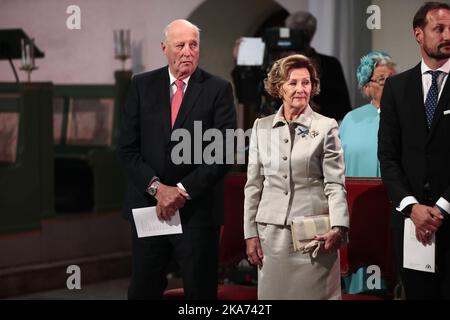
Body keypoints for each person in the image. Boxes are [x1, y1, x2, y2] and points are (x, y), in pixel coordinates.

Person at [117, 19, 236, 300]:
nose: (187, 51)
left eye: (193, 45)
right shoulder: (141, 85)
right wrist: (158, 189)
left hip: (196, 211)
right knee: (143, 290)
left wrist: (180, 191)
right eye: (180, 45)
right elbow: (126, 148)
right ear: (164, 48)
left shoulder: (217, 89)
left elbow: (223, 152)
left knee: (199, 293)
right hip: (149, 208)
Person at [243, 54, 349, 299]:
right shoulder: (261, 127)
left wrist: (339, 227)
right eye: (293, 83)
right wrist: (250, 233)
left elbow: (335, 183)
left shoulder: (326, 126)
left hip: (312, 237)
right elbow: (253, 185)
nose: (301, 89)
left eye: (306, 82)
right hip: (271, 237)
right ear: (279, 87)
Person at [378, 2, 450, 299]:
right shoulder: (396, 87)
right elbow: (388, 155)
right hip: (410, 223)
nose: (448, 35)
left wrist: (441, 207)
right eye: (440, 28)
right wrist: (411, 207)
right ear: (418, 34)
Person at [232, 11, 351, 125]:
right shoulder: (272, 64)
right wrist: (241, 61)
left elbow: (342, 108)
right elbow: (246, 95)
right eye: (291, 31)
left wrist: (316, 109)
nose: (292, 39)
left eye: (299, 33)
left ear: (310, 35)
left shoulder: (329, 64)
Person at [340, 52, 396, 177]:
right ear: (366, 87)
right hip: (356, 192)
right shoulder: (351, 119)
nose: (390, 84)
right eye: (382, 79)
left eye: (393, 78)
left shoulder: (408, 115)